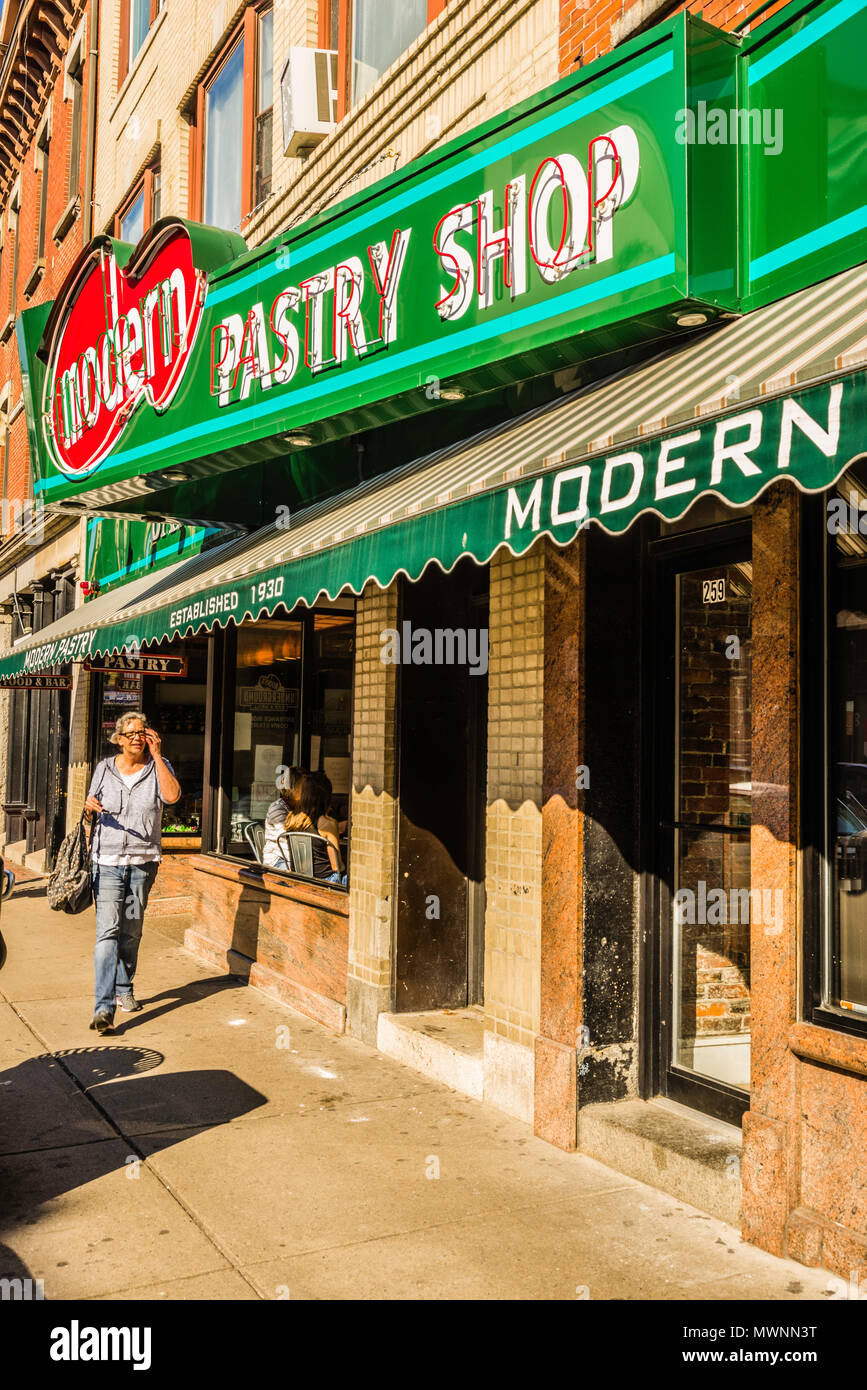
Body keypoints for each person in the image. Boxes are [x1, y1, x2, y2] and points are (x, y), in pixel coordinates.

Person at [84, 711, 181, 1033]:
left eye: (143, 732)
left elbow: (171, 797)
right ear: (119, 739)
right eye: (131, 733)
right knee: (107, 932)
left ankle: (125, 989)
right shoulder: (103, 769)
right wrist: (89, 807)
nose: (137, 737)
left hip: (142, 863)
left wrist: (157, 755)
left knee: (131, 932)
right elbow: (90, 809)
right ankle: (103, 1006)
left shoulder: (159, 767)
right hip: (107, 863)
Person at [297, 772, 347, 884]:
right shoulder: (328, 824)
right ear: (327, 796)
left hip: (301, 878)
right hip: (326, 881)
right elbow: (336, 866)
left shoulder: (293, 819)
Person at [263, 766, 305, 870]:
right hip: (279, 860)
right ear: (292, 787)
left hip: (298, 858)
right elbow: (289, 834)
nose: (307, 791)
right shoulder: (277, 808)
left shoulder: (300, 807)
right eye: (304, 787)